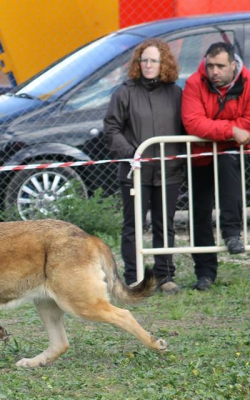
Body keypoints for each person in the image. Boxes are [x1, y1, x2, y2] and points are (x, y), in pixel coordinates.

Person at [104, 39, 184, 293]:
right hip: (134, 173)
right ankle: (134, 275)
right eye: (144, 60)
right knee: (133, 225)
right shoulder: (124, 92)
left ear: (164, 64)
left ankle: (165, 275)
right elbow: (112, 128)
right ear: (138, 63)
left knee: (165, 223)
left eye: (154, 60)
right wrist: (132, 154)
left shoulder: (176, 93)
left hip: (168, 172)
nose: (149, 65)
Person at [182, 42, 250, 291]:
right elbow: (193, 123)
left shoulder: (248, 82)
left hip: (232, 154)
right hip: (200, 156)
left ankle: (233, 233)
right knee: (199, 213)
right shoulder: (193, 83)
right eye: (210, 66)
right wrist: (231, 129)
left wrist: (218, 129)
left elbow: (249, 121)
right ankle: (205, 273)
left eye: (220, 66)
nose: (214, 71)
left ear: (233, 65)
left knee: (230, 179)